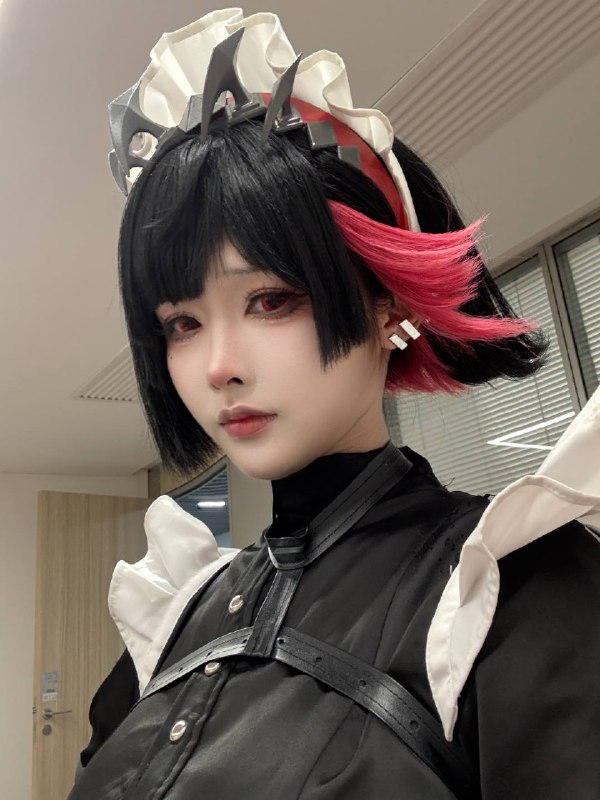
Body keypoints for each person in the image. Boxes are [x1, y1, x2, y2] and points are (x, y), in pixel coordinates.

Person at [69, 9, 600, 799]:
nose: (218, 367)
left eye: (270, 300)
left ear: (388, 306)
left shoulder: (511, 586)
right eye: (182, 323)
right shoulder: (174, 613)